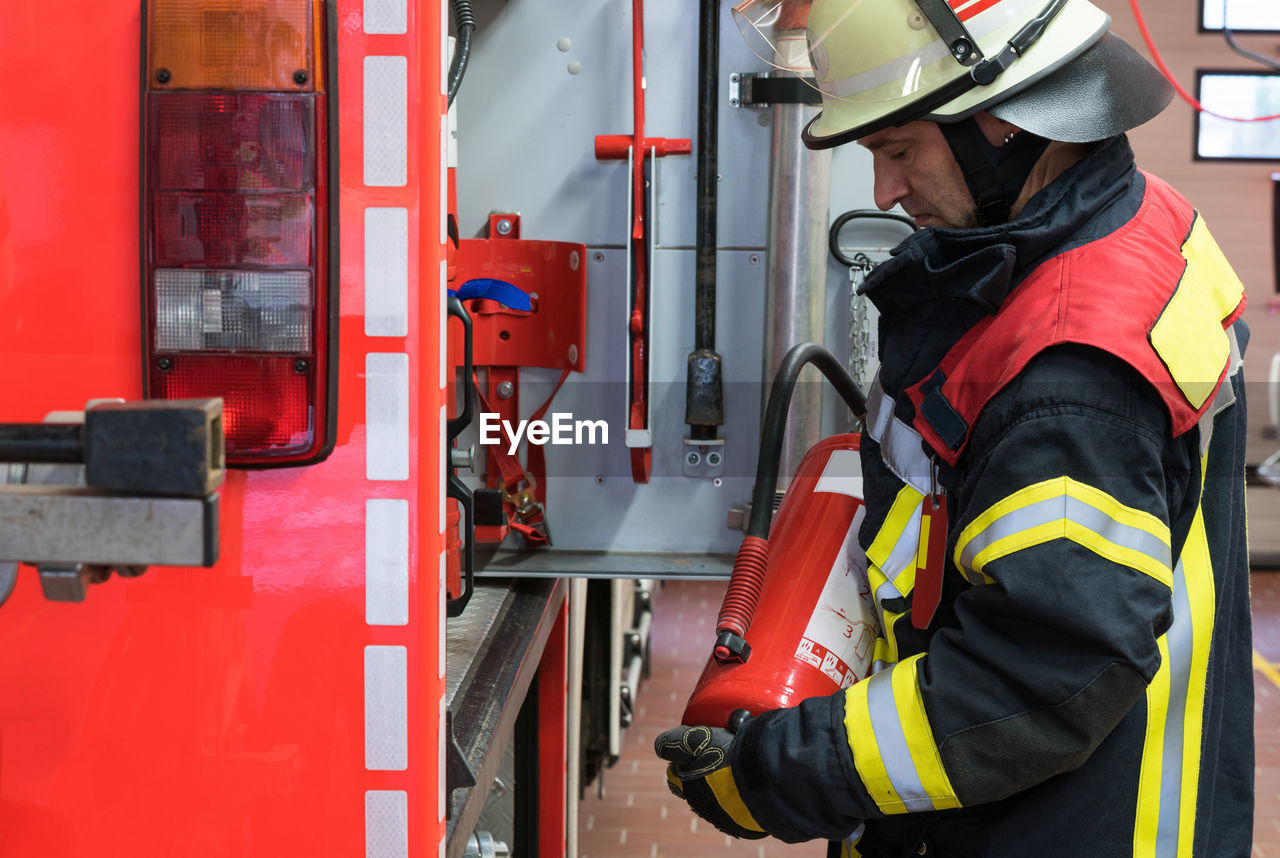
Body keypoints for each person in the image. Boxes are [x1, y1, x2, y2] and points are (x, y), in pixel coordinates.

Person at [655, 0, 1254, 855]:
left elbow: (1036, 681)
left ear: (1005, 124)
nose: (886, 192)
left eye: (900, 151)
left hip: (1058, 827)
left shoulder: (1068, 377)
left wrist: (778, 773)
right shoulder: (1138, 219)